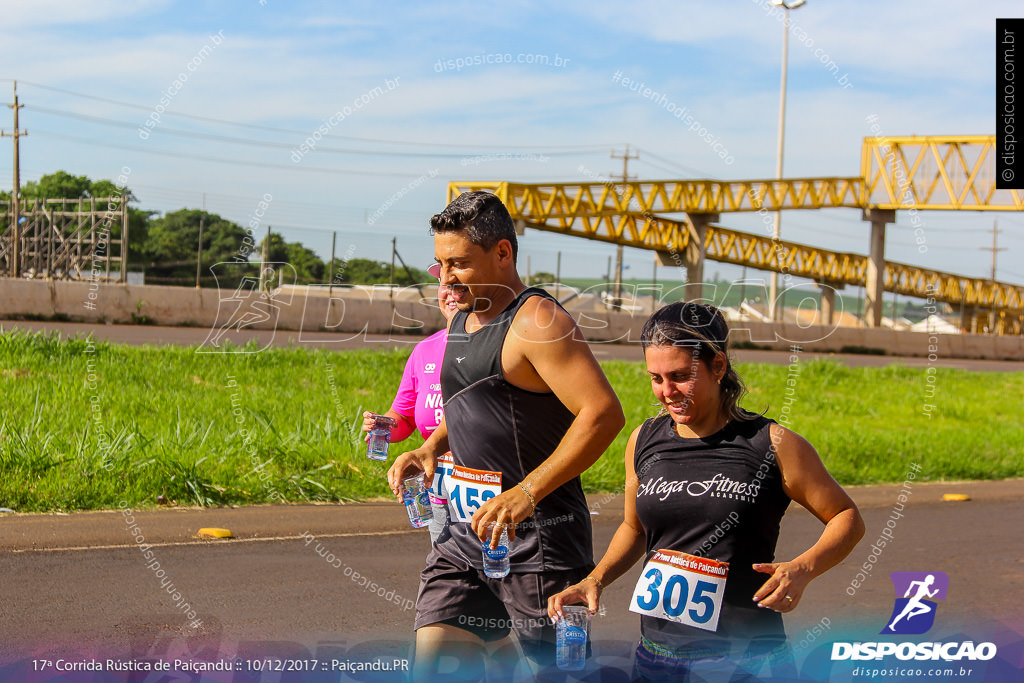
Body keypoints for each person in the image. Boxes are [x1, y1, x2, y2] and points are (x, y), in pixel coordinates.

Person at [548, 302, 865, 682]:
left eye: (681, 376)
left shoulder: (771, 444)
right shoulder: (644, 439)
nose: (667, 392)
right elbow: (635, 529)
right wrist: (593, 580)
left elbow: (847, 517)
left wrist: (803, 569)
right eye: (656, 378)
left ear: (718, 366)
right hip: (657, 656)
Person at [386, 190, 625, 680]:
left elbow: (602, 415)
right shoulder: (461, 317)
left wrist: (527, 492)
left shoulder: (538, 322)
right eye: (439, 264)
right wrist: (431, 447)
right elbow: (475, 400)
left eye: (458, 264)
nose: (446, 278)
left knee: (558, 673)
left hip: (540, 542)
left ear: (502, 253)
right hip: (464, 533)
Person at [363, 280, 457, 544]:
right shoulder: (425, 350)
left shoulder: (494, 346)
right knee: (447, 576)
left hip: (485, 490)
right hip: (436, 489)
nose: (450, 292)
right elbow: (403, 417)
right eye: (443, 284)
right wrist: (381, 425)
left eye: (459, 284)